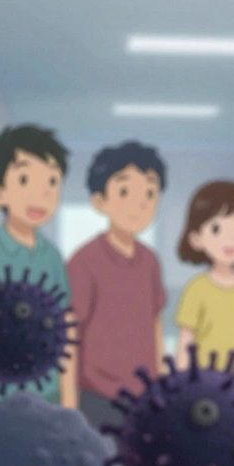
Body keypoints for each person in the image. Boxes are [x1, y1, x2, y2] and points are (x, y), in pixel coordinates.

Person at [0, 124, 76, 408]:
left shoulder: (52, 257)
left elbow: (67, 328)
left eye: (52, 182)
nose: (41, 194)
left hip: (49, 394)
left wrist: (69, 402)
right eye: (24, 180)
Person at [66, 141, 168, 430]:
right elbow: (70, 336)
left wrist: (161, 386)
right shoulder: (84, 261)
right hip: (97, 397)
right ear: (101, 202)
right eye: (125, 192)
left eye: (150, 193)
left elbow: (155, 324)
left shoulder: (150, 262)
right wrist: (69, 404)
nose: (140, 204)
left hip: (145, 396)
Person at [173, 180, 234, 393]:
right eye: (217, 229)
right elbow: (187, 337)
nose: (231, 239)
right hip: (205, 382)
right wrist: (181, 378)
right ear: (196, 239)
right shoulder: (197, 289)